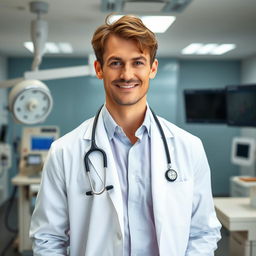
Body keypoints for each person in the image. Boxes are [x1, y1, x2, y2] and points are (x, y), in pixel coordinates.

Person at [30, 14, 221, 256]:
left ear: (152, 69)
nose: (127, 74)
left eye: (138, 62)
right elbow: (48, 238)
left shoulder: (189, 147)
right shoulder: (64, 151)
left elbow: (203, 232)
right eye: (115, 62)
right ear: (99, 69)